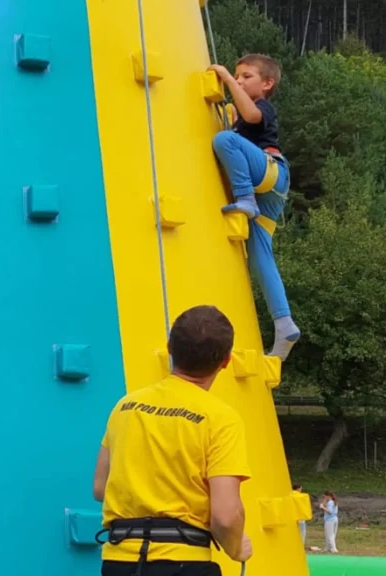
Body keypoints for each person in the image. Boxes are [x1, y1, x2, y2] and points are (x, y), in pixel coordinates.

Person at [94, 305, 253, 576]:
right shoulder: (220, 419)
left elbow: (100, 487)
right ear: (226, 361)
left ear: (170, 348)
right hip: (184, 561)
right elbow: (225, 516)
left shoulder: (126, 407)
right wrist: (237, 548)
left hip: (120, 561)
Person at [208, 54, 299, 362]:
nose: (240, 80)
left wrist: (226, 78)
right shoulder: (245, 112)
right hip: (271, 192)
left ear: (267, 83)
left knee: (224, 140)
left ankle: (244, 197)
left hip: (270, 172)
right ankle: (284, 323)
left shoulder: (263, 108)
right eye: (238, 75)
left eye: (247, 76)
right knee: (260, 258)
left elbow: (249, 117)